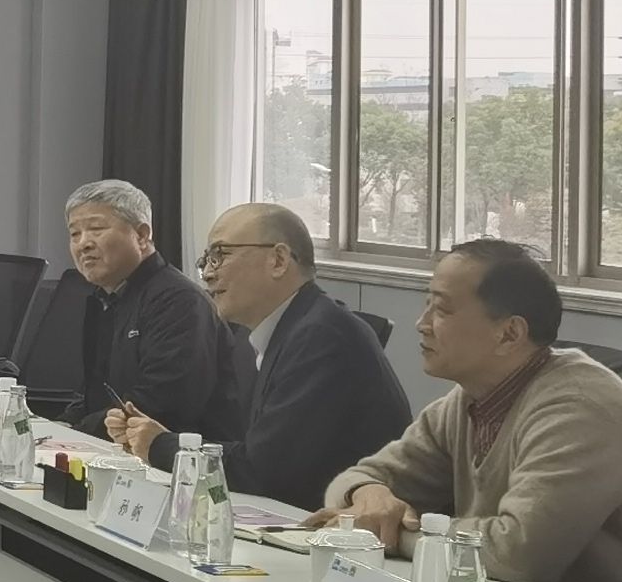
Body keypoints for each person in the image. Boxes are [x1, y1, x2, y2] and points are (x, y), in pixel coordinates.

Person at [316, 238, 622, 582]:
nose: (422, 324)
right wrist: (368, 496)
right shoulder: (469, 399)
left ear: (509, 333)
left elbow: (518, 553)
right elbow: (355, 480)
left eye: (441, 310)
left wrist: (389, 534)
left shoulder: (578, 407)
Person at [107, 202, 409, 510]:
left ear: (278, 260)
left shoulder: (323, 337)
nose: (207, 274)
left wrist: (160, 446)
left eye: (220, 255)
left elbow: (262, 470)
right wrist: (153, 438)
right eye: (205, 260)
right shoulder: (275, 331)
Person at [56, 179, 246, 450]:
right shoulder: (105, 298)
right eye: (75, 234)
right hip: (113, 450)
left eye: (96, 229)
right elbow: (95, 391)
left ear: (142, 235)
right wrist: (63, 425)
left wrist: (78, 433)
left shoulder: (179, 301)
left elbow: (162, 402)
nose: (83, 244)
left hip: (182, 459)